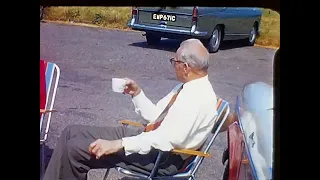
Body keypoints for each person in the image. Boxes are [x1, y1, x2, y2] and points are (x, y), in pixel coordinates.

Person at [43, 38, 218, 180]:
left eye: (175, 62)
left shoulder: (197, 99)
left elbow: (164, 140)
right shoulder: (188, 86)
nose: (173, 65)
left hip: (162, 157)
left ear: (186, 67)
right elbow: (156, 117)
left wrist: (118, 144)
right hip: (150, 140)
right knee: (71, 132)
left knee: (75, 150)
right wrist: (137, 93)